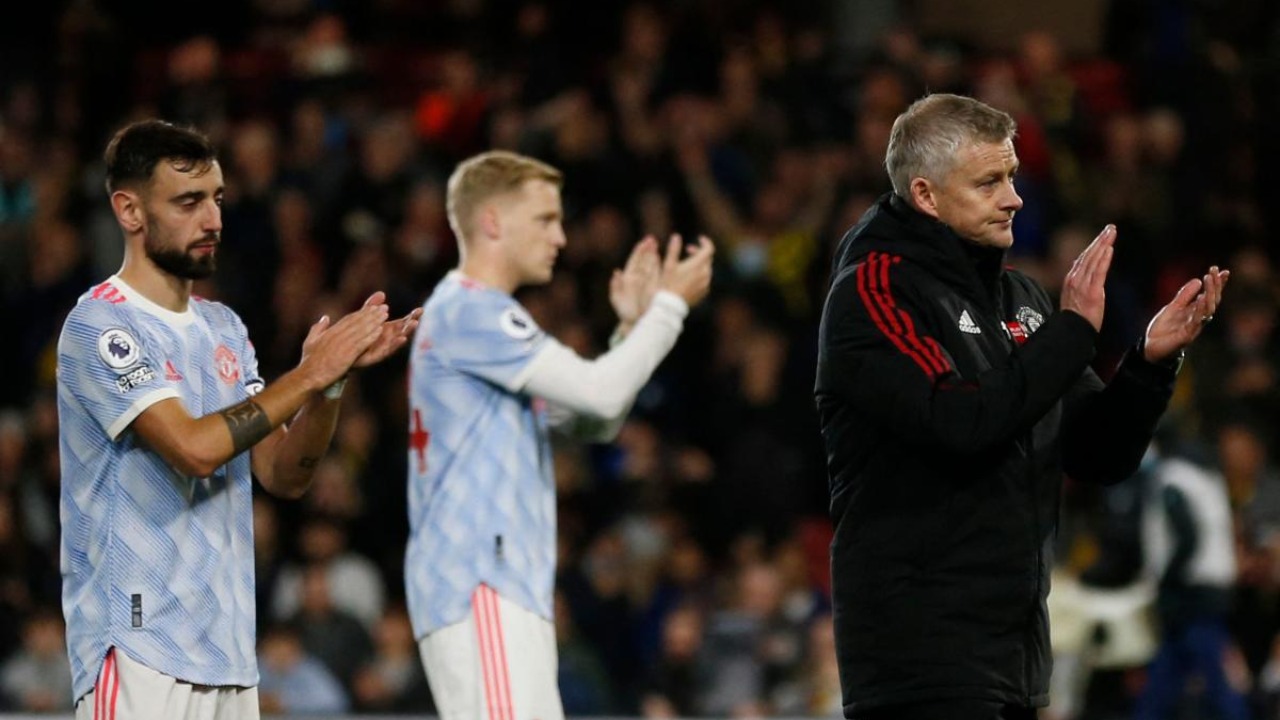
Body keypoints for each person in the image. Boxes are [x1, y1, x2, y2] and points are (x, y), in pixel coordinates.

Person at [814, 93, 1228, 720]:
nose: (1014, 198)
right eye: (989, 182)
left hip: (1015, 656)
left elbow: (1098, 453)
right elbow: (959, 421)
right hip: (919, 658)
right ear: (926, 195)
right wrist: (1071, 332)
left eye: (1011, 176)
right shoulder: (874, 292)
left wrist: (1147, 362)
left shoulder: (1021, 299)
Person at [56, 119, 420, 719]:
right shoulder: (101, 324)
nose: (213, 220)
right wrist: (304, 376)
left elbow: (283, 474)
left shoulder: (223, 327)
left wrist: (328, 387)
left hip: (227, 655)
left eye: (218, 199)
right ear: (129, 211)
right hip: (139, 649)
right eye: (188, 201)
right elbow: (194, 449)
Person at [405, 150, 714, 720]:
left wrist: (627, 332)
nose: (561, 237)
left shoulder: (481, 321)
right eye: (546, 219)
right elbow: (601, 394)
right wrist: (669, 308)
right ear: (493, 221)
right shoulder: (475, 312)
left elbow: (597, 417)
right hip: (481, 582)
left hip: (502, 586)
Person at [1135, 439, 1250, 720]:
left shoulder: (1173, 479)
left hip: (1191, 589)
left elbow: (1187, 536)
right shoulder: (1204, 476)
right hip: (1210, 586)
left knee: (1212, 673)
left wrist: (1167, 579)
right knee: (1166, 673)